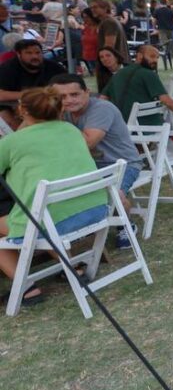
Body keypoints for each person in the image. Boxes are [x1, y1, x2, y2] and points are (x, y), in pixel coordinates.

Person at [0, 87, 109, 306]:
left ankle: (27, 289)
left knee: (36, 219)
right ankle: (74, 267)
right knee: (43, 214)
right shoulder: (70, 129)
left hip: (57, 221)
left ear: (22, 111)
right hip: (96, 210)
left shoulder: (12, 142)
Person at [51, 74, 140, 248]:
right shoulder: (62, 112)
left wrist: (56, 121)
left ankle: (125, 225)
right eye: (61, 97)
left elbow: (88, 143)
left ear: (87, 92)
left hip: (119, 164)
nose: (68, 100)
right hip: (86, 166)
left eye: (74, 94)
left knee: (114, 195)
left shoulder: (101, 108)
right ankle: (78, 230)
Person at [102, 45, 173, 126]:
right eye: (152, 56)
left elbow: (103, 99)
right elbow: (167, 101)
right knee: (169, 115)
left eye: (157, 57)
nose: (155, 60)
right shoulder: (148, 74)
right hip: (147, 125)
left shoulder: (118, 73)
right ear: (139, 56)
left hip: (121, 125)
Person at [0, 41, 67, 120]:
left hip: (48, 104)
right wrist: (34, 95)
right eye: (29, 53)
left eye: (38, 53)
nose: (35, 56)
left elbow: (68, 85)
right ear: (19, 54)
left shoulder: (54, 67)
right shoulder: (7, 69)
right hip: (16, 106)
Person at [90, 0, 129, 92]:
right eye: (91, 8)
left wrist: (104, 62)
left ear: (105, 8)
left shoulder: (109, 22)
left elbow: (109, 47)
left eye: (95, 7)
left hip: (113, 66)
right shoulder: (107, 22)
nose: (93, 10)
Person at [80, 8, 99, 74]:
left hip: (98, 56)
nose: (85, 19)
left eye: (87, 17)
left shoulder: (99, 27)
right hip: (88, 56)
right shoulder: (85, 28)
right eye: (83, 17)